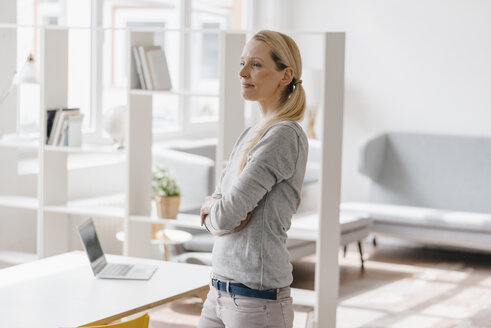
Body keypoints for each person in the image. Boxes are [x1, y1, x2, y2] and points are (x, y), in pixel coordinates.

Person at [198, 30, 308, 328]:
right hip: (218, 291)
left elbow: (226, 213)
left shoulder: (284, 135)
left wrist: (215, 211)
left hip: (256, 301)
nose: (242, 72)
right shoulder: (251, 134)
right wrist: (216, 211)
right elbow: (223, 212)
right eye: (243, 62)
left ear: (285, 76)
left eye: (256, 65)